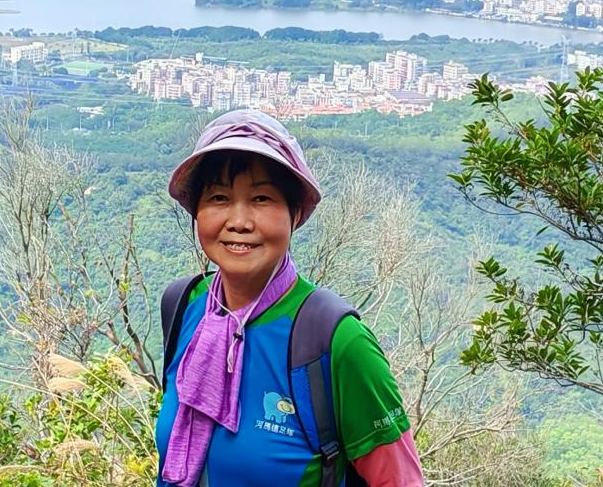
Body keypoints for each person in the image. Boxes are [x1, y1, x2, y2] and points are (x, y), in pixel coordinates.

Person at [154, 109, 425, 487]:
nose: (239, 221)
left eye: (261, 198)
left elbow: (399, 479)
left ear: (295, 213)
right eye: (219, 197)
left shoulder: (336, 341)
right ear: (196, 211)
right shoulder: (186, 307)